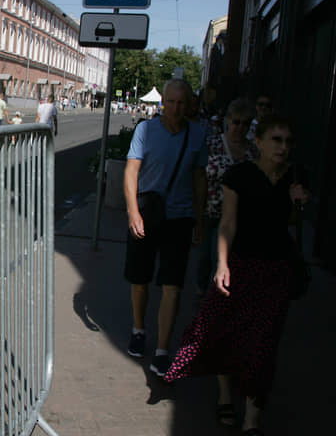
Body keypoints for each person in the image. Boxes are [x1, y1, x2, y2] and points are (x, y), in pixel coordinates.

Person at [164, 116, 309, 435]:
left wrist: (300, 204)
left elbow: (295, 225)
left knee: (264, 344)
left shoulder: (295, 177)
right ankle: (226, 395)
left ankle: (252, 418)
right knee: (222, 331)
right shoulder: (239, 175)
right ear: (258, 142)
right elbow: (228, 224)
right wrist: (223, 264)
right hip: (241, 264)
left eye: (288, 141)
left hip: (276, 270)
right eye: (276, 139)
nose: (283, 147)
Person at [123, 78, 208, 377]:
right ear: (163, 103)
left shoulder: (198, 134)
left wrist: (199, 219)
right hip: (147, 213)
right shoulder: (145, 130)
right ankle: (138, 329)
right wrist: (133, 212)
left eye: (181, 103)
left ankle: (162, 349)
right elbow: (131, 170)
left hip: (180, 218)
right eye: (170, 102)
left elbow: (200, 179)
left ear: (189, 105)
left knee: (173, 284)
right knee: (140, 277)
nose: (175, 108)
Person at [195, 98, 257, 294]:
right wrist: (198, 217)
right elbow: (201, 179)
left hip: (237, 216)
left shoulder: (253, 152)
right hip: (210, 211)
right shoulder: (212, 143)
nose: (240, 127)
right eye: (236, 121)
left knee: (219, 259)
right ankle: (201, 291)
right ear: (228, 120)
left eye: (246, 123)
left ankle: (212, 301)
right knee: (204, 258)